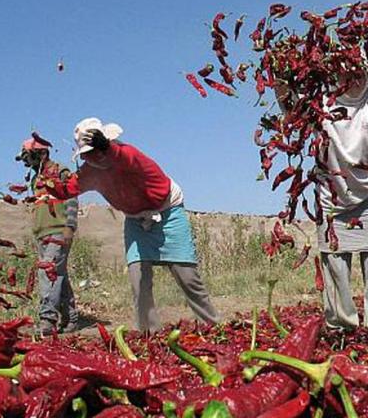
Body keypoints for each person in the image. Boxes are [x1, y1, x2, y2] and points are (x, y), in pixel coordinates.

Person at [46, 118, 220, 331]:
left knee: (187, 276)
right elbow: (67, 190)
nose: (93, 158)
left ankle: (213, 326)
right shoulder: (91, 171)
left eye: (96, 151)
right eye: (88, 154)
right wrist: (45, 178)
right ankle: (150, 334)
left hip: (168, 212)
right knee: (138, 277)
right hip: (136, 220)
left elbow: (125, 158)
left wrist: (108, 149)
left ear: (106, 146)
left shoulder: (126, 154)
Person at [277, 63, 368, 330]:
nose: (353, 77)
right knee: (335, 265)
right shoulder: (319, 103)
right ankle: (341, 328)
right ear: (334, 73)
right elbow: (292, 114)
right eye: (345, 71)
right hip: (333, 197)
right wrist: (281, 82)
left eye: (359, 71)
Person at [16, 137, 80, 335]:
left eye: (30, 157)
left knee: (48, 272)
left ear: (42, 154)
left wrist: (70, 226)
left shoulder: (60, 171)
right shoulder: (36, 178)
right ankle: (71, 319)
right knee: (58, 274)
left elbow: (71, 196)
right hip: (42, 233)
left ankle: (47, 321)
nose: (28, 163)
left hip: (58, 230)